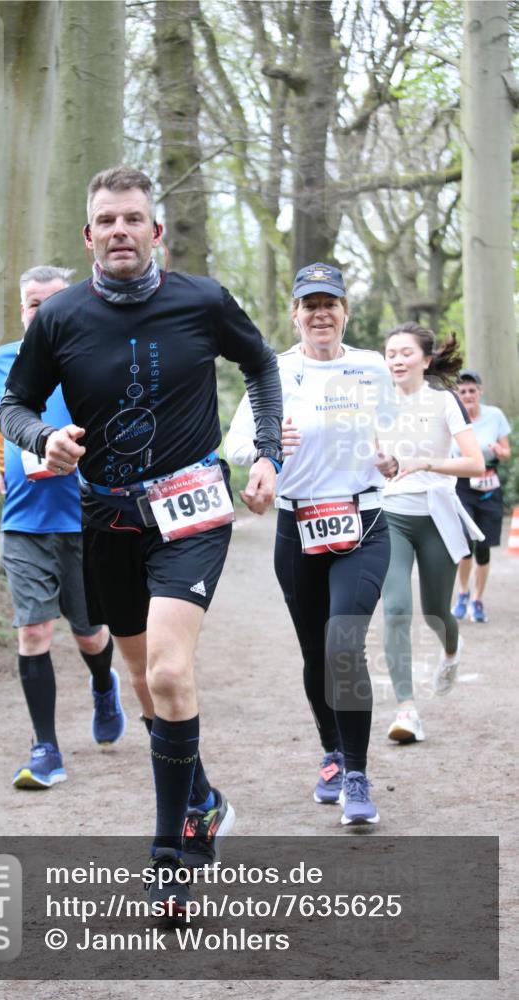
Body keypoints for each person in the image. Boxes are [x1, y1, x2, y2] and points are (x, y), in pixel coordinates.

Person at [0, 165, 282, 913]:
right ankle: (204, 797)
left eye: (133, 218)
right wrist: (44, 437)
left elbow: (260, 366)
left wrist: (266, 456)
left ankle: (171, 855)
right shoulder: (60, 317)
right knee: (141, 683)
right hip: (106, 518)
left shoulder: (202, 300)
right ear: (89, 237)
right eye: (106, 221)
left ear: (156, 231)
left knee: (168, 673)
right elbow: (15, 402)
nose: (120, 230)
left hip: (190, 510)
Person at [227, 262, 396, 826]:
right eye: (310, 304)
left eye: (330, 303)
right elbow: (234, 447)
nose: (320, 313)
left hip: (363, 520)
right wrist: (267, 442)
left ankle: (355, 773)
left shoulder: (372, 368)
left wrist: (394, 452)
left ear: (345, 311)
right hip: (297, 526)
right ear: (295, 313)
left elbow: (399, 428)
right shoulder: (272, 372)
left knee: (344, 643)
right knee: (314, 651)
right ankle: (329, 751)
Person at [0, 265, 125, 789]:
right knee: (34, 631)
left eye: (51, 302)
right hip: (23, 519)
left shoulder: (96, 352)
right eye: (31, 304)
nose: (40, 312)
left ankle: (104, 687)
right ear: (22, 309)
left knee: (89, 634)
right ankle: (46, 748)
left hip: (87, 518)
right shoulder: (5, 359)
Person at [381, 324, 485, 744]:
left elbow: (475, 464)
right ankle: (407, 709)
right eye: (390, 354)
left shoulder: (445, 402)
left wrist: (426, 463)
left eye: (406, 353)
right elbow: (375, 458)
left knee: (435, 613)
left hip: (437, 516)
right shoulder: (376, 403)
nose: (397, 360)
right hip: (391, 515)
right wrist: (383, 464)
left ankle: (451, 652)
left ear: (426, 360)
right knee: (396, 609)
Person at [451, 370, 511, 623]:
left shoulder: (494, 415)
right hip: (462, 484)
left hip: (488, 483)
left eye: (472, 390)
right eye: (462, 391)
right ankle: (462, 593)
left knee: (484, 548)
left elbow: (507, 452)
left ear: (480, 391)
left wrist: (500, 451)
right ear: (457, 394)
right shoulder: (453, 417)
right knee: (464, 545)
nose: (467, 395)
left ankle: (477, 599)